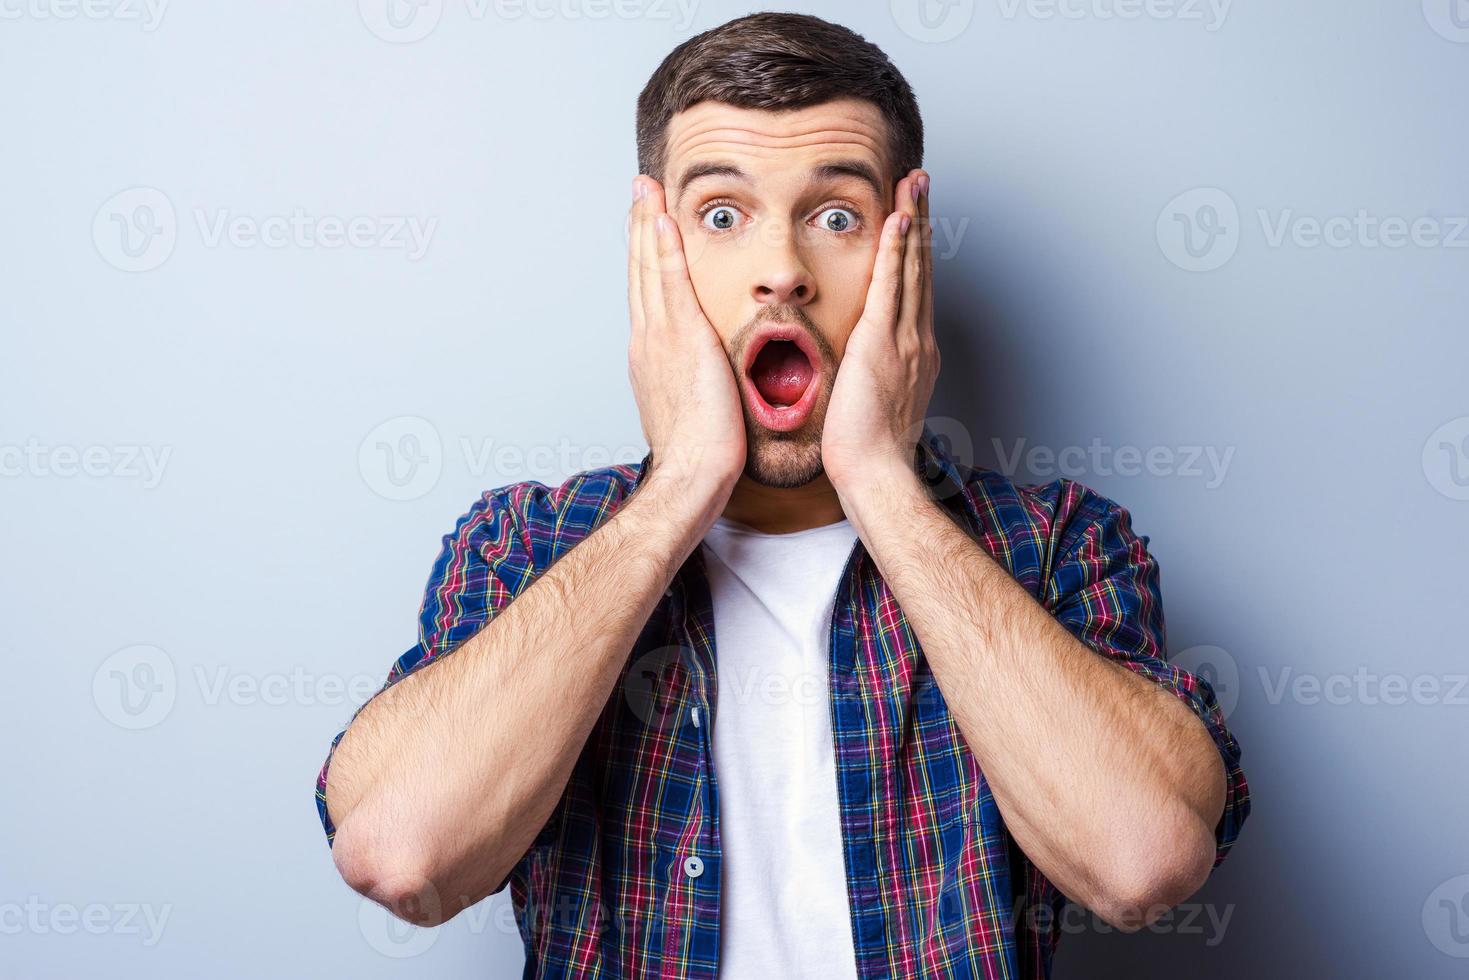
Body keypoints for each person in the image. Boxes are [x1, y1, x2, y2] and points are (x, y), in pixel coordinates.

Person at [315, 12, 1249, 978]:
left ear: (906, 249)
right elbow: (400, 855)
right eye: (722, 215)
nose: (781, 274)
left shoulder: (1058, 544)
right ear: (655, 250)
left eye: (835, 216)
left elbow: (1142, 862)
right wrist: (682, 483)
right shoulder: (525, 541)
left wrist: (880, 480)